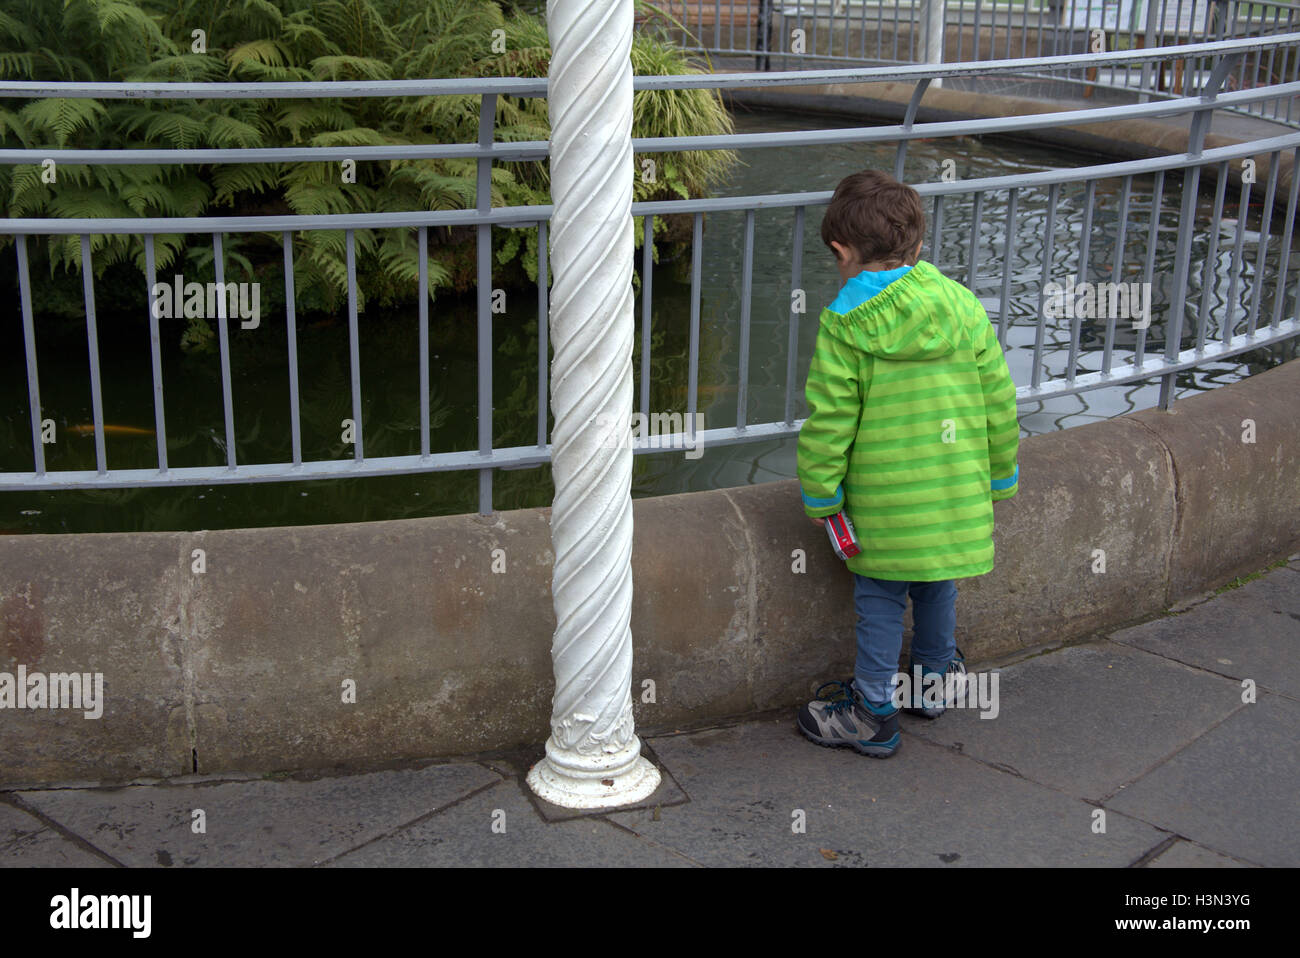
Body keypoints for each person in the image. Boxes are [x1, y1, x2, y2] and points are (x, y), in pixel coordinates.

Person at [795, 169, 1019, 758]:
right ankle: (933, 683)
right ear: (916, 244)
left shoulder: (845, 325)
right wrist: (1000, 475)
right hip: (953, 492)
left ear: (842, 252)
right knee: (938, 584)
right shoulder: (964, 306)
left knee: (878, 598)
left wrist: (822, 495)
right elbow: (999, 398)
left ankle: (872, 711)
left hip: (886, 502)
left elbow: (830, 422)